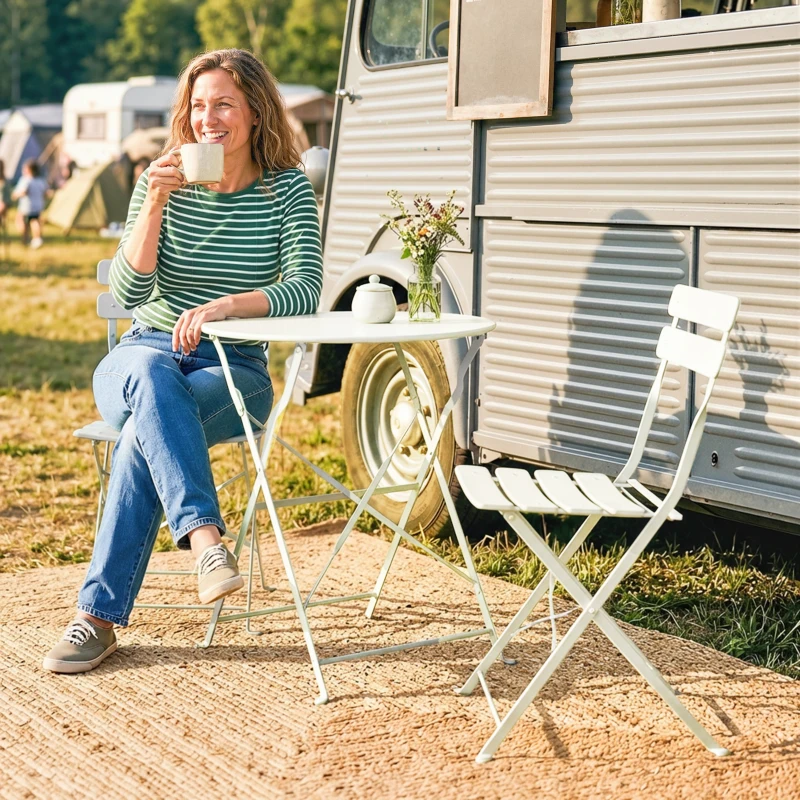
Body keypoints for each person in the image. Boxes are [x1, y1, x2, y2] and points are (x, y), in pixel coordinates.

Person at [43, 48, 323, 674]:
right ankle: (205, 541)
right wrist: (153, 207)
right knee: (148, 376)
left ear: (255, 110)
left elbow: (306, 285)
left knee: (148, 428)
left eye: (223, 103)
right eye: (198, 106)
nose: (208, 119)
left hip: (235, 374)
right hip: (140, 354)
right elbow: (128, 296)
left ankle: (96, 620)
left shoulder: (285, 190)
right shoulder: (159, 181)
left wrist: (229, 307)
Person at [12, 159, 49, 248]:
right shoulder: (41, 181)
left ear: (29, 170)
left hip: (26, 207)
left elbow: (24, 191)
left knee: (23, 223)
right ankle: (37, 238)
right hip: (37, 206)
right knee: (35, 222)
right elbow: (45, 193)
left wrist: (16, 195)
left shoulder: (26, 180)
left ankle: (25, 239)